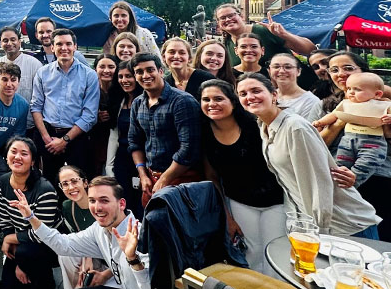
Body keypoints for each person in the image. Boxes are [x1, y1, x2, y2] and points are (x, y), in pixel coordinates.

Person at [239, 73, 381, 238]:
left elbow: (319, 183)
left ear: (274, 94)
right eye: (243, 94)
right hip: (311, 225)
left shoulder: (295, 127)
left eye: (256, 91)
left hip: (342, 227)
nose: (250, 97)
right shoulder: (265, 126)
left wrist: (318, 231)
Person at [10, 175, 155, 289]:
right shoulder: (99, 229)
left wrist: (133, 259)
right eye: (92, 201)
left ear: (121, 204)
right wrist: (31, 217)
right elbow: (64, 245)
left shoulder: (141, 236)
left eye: (104, 200)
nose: (97, 208)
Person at [200, 78, 285, 276]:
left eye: (218, 98)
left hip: (276, 200)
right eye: (206, 99)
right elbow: (211, 176)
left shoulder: (253, 124)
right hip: (239, 202)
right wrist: (228, 216)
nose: (212, 104)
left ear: (233, 101)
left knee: (275, 254)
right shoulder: (203, 131)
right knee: (251, 255)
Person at [313, 71, 391, 224]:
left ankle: (353, 182)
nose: (351, 93)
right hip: (348, 140)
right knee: (341, 161)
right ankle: (340, 185)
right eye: (349, 89)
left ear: (377, 93)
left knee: (367, 163)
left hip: (373, 142)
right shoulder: (346, 103)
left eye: (357, 89)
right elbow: (334, 115)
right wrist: (320, 122)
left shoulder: (384, 104)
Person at [128, 53, 202, 206]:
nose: (145, 75)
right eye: (139, 72)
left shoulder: (182, 101)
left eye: (150, 70)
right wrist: (143, 175)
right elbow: (134, 141)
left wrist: (164, 180)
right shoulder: (137, 103)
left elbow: (189, 149)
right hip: (150, 178)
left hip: (182, 179)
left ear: (161, 71)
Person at [0, 135, 61, 289]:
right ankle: (27, 268)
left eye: (24, 154)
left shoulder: (45, 190)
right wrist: (10, 238)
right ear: (6, 156)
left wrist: (9, 240)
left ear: (33, 162)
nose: (17, 157)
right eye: (13, 152)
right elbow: (4, 219)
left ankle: (48, 282)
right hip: (22, 241)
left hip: (48, 244)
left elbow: (42, 234)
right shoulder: (3, 182)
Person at [30, 28, 99, 181]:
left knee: (79, 182)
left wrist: (64, 140)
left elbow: (90, 115)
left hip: (76, 137)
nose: (64, 48)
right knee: (48, 181)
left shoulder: (89, 75)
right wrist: (47, 138)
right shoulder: (43, 73)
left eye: (68, 44)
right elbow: (36, 107)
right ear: (52, 47)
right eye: (59, 44)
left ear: (75, 46)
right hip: (48, 136)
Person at [53, 166, 114, 289]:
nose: (70, 187)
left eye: (74, 181)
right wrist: (87, 257)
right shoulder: (68, 207)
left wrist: (104, 272)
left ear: (85, 183)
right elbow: (78, 237)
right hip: (94, 254)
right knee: (65, 254)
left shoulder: (101, 207)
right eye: (65, 184)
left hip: (112, 260)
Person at [215, 5, 317, 70]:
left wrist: (284, 34)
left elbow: (310, 50)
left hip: (297, 84)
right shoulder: (227, 44)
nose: (228, 19)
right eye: (222, 18)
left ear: (241, 16)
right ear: (219, 24)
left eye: (231, 15)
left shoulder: (263, 31)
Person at [0, 26, 42, 128]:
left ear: (19, 41)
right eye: (5, 40)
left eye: (13, 39)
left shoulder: (34, 64)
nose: (9, 43)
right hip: (2, 122)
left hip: (28, 124)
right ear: (0, 43)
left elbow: (39, 98)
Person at [111, 61, 143, 217]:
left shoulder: (145, 99)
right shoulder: (119, 100)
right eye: (120, 76)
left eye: (129, 76)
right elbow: (114, 133)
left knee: (141, 199)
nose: (124, 80)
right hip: (123, 156)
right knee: (124, 198)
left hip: (143, 156)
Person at [269, 52, 324, 121]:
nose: (282, 71)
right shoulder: (267, 96)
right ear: (270, 70)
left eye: (288, 67)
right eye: (276, 67)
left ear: (298, 71)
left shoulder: (311, 101)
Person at [89, 54, 120, 177]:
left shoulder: (122, 90)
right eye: (102, 66)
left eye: (111, 67)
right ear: (95, 69)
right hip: (94, 141)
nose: (106, 71)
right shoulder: (89, 89)